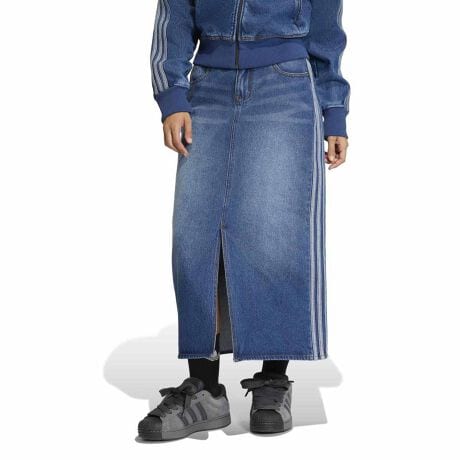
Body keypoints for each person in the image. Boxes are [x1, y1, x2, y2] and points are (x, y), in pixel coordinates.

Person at [138, 0, 350, 441]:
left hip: (287, 87)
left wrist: (334, 110)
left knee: (278, 231)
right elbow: (174, 15)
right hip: (207, 88)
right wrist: (172, 93)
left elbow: (326, 30)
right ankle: (205, 390)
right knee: (196, 234)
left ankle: (274, 380)